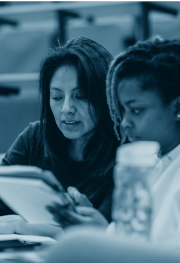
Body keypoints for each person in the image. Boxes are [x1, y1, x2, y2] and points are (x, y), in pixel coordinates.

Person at [0, 37, 119, 238]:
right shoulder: (35, 136)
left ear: (103, 96)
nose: (66, 109)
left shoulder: (124, 155)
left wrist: (20, 226)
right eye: (57, 97)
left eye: (81, 96)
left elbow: (105, 232)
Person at [47, 36, 180, 246]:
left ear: (177, 108)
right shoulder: (152, 166)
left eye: (136, 110)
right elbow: (130, 244)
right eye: (123, 110)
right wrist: (94, 228)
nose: (125, 122)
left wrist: (100, 235)